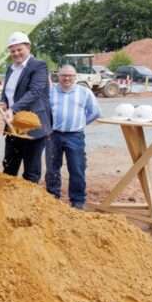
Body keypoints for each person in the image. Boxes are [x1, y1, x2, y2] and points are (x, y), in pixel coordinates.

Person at [45, 65, 101, 209]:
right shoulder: (51, 92)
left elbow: (95, 112)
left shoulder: (84, 92)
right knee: (52, 168)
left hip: (75, 136)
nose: (67, 78)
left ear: (75, 77)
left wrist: (81, 123)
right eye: (64, 75)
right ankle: (52, 198)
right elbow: (43, 111)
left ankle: (77, 201)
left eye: (70, 75)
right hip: (53, 135)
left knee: (77, 168)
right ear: (58, 76)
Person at [0, 31, 52, 183]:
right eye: (12, 51)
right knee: (9, 168)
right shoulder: (10, 68)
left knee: (31, 171)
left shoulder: (39, 66)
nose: (16, 53)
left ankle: (29, 198)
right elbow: (8, 91)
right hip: (13, 126)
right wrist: (4, 102)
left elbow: (35, 92)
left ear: (28, 47)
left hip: (32, 125)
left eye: (19, 49)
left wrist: (13, 109)